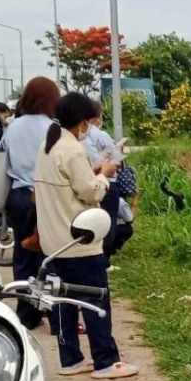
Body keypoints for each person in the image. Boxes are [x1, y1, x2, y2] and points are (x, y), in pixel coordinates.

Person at [33, 91, 135, 380]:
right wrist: (104, 175)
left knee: (64, 301)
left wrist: (94, 171)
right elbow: (90, 191)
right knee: (96, 300)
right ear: (80, 122)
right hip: (79, 242)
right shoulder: (73, 149)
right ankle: (105, 361)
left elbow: (68, 182)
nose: (89, 127)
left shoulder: (48, 146)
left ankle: (71, 359)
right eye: (89, 122)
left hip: (52, 242)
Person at [0, 77, 61, 329]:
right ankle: (53, 313)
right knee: (48, 257)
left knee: (23, 256)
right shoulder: (52, 128)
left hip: (17, 197)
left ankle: (27, 314)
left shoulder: (12, 126)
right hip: (43, 197)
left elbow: (2, 154)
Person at [81, 101, 124, 263]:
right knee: (107, 223)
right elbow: (115, 160)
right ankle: (104, 260)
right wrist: (117, 151)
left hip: (87, 184)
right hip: (107, 182)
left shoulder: (77, 136)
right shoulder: (101, 135)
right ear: (97, 118)